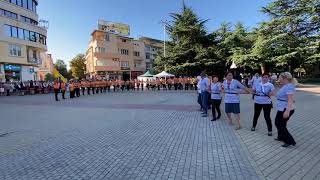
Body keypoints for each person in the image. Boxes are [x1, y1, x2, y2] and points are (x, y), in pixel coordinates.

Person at [275, 72, 297, 147]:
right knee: (279, 123)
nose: (279, 79)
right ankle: (280, 137)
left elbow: (290, 100)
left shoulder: (288, 86)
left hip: (286, 109)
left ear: (284, 78)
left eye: (280, 77)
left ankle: (289, 141)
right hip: (281, 108)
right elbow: (290, 98)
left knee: (280, 124)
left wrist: (287, 111)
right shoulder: (285, 86)